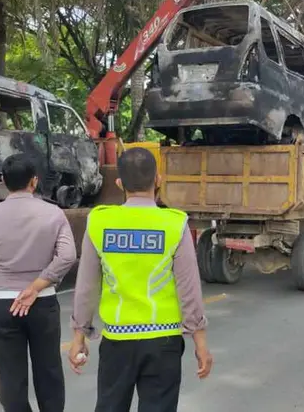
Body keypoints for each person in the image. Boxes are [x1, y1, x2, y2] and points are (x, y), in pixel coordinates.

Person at [69, 147, 213, 412]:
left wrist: (80, 335)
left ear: (120, 183)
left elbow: (87, 285)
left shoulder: (100, 222)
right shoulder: (174, 224)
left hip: (117, 340)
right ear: (158, 179)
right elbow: (189, 288)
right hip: (164, 341)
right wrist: (200, 343)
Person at [0, 153, 77, 412]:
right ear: (34, 182)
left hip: (1, 305)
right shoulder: (53, 214)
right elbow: (68, 256)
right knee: (49, 374)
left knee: (11, 379)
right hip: (42, 304)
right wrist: (36, 286)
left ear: (4, 181)